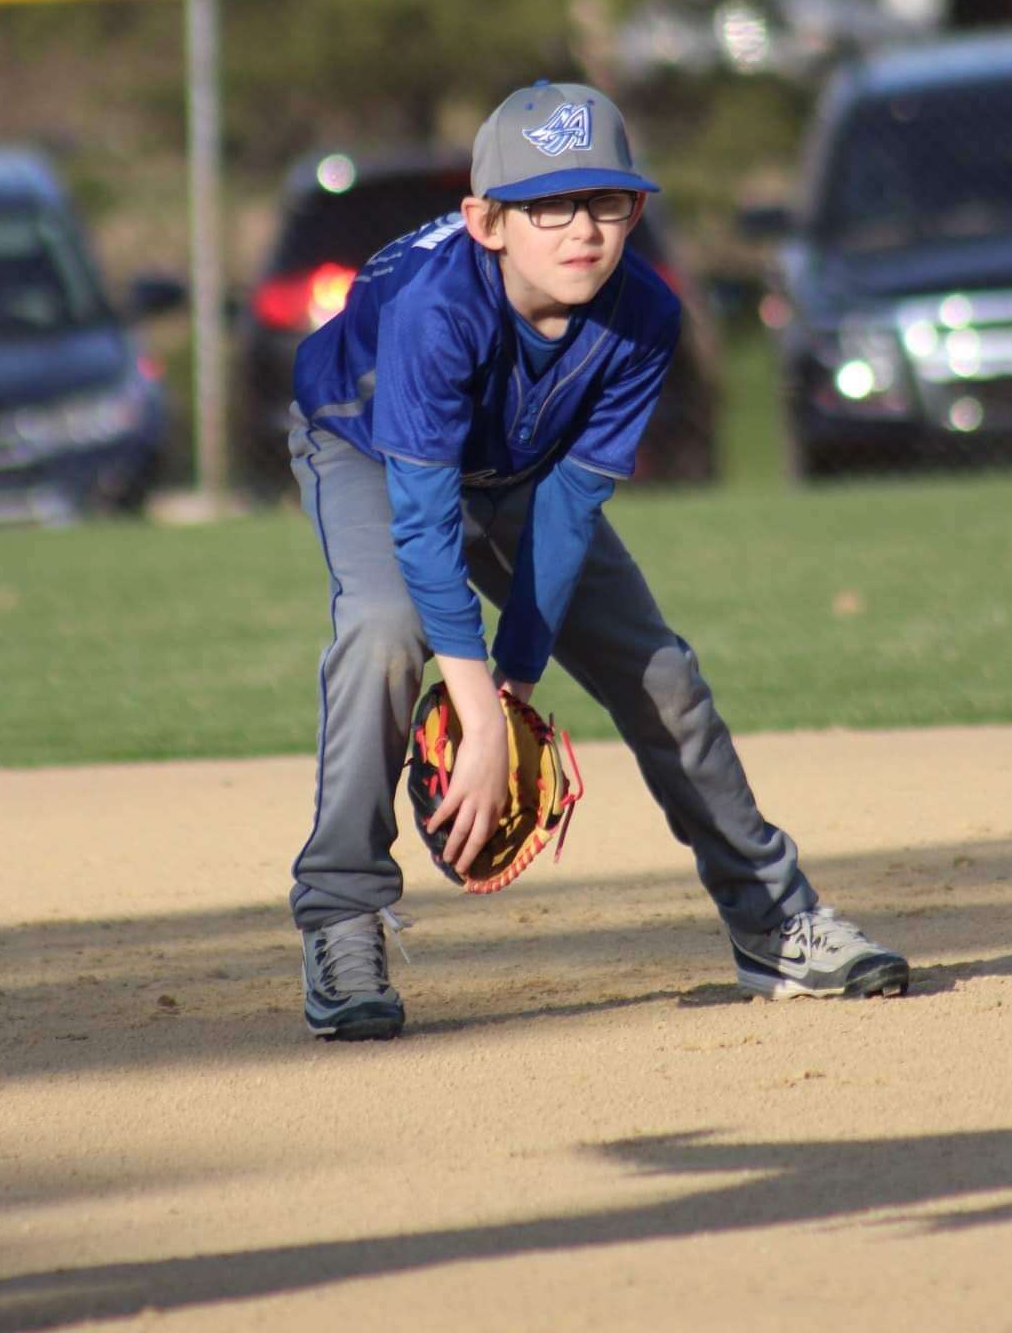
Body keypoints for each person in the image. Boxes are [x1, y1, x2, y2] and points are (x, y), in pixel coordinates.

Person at [287, 79, 908, 1039]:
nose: (582, 228)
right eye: (548, 205)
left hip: (525, 469)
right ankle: (341, 916)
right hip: (369, 448)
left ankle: (774, 922)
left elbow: (571, 503)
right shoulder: (433, 309)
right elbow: (423, 524)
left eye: (605, 200)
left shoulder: (643, 315)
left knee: (660, 673)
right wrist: (477, 718)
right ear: (486, 222)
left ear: (636, 212)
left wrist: (515, 685)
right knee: (383, 628)